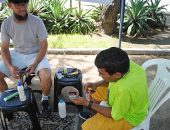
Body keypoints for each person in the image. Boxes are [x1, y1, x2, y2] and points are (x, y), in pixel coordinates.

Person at [71, 47, 149, 130]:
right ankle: (95, 118)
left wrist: (87, 104)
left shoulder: (124, 89)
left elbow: (113, 114)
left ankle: (97, 122)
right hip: (126, 99)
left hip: (129, 117)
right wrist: (95, 84)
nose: (99, 75)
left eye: (101, 73)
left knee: (86, 127)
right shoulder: (128, 65)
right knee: (94, 93)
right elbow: (112, 79)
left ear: (118, 75)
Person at [0, 0, 52, 114]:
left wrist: (34, 64)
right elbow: (4, 48)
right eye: (18, 5)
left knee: (46, 76)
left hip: (36, 54)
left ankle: (45, 99)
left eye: (24, 4)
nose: (22, 8)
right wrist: (10, 67)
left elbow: (44, 46)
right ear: (9, 6)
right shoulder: (6, 24)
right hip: (17, 54)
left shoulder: (37, 22)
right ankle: (7, 101)